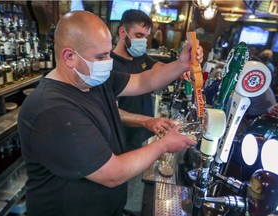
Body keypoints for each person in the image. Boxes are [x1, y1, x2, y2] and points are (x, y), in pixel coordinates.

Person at [18, 11, 203, 216]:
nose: (109, 60)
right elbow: (112, 173)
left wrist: (181, 65)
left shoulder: (93, 79)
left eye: (108, 52)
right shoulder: (53, 109)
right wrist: (165, 144)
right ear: (69, 57)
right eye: (101, 56)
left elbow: (144, 81)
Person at [111, 9, 177, 152]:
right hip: (122, 141)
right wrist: (146, 121)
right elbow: (111, 111)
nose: (143, 41)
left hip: (143, 134)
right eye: (139, 35)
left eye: (146, 37)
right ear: (123, 33)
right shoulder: (109, 65)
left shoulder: (139, 56)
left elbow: (158, 66)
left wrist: (179, 68)